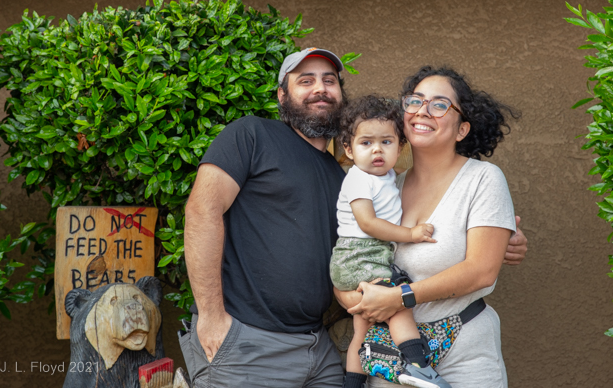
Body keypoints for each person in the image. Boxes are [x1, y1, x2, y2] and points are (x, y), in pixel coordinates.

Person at [179, 48, 528, 388]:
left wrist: (499, 242)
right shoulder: (258, 137)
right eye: (306, 80)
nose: (320, 88)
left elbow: (475, 265)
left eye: (330, 80)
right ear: (282, 96)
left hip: (346, 349)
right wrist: (210, 318)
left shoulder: (357, 179)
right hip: (267, 345)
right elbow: (201, 211)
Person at [336, 66, 521, 388]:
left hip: (464, 350)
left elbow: (481, 271)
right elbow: (356, 253)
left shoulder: (482, 179)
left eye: (439, 105)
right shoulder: (385, 187)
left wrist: (400, 297)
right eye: (415, 101)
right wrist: (349, 295)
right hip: (390, 358)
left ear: (462, 129)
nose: (423, 111)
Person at [331, 95, 450, 388]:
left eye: (386, 142)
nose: (377, 150)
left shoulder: (387, 178)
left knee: (363, 330)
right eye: (366, 143)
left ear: (400, 147)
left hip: (366, 257)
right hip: (359, 256)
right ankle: (417, 365)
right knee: (398, 302)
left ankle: (353, 383)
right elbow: (367, 222)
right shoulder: (358, 178)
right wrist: (411, 234)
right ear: (348, 149)